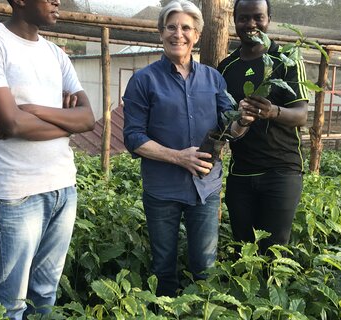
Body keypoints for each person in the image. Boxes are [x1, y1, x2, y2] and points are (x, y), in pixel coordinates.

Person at [0, 0, 95, 318]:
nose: (58, 1)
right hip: (18, 192)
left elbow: (89, 119)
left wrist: (34, 110)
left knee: (45, 293)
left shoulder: (55, 54)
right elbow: (10, 123)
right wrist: (65, 120)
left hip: (64, 188)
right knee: (9, 302)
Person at [122, 0, 255, 297]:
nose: (177, 34)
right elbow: (133, 137)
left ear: (196, 35)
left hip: (205, 189)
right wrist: (178, 157)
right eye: (171, 27)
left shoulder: (213, 79)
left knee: (205, 266)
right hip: (162, 190)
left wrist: (243, 121)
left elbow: (229, 128)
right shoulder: (144, 81)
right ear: (161, 33)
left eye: (185, 28)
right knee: (163, 266)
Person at [217, 0, 309, 255]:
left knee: (273, 250)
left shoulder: (286, 60)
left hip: (281, 170)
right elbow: (223, 118)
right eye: (243, 18)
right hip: (242, 173)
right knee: (242, 248)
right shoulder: (226, 67)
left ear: (269, 18)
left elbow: (301, 115)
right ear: (234, 20)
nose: (251, 24)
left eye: (258, 17)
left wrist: (272, 112)